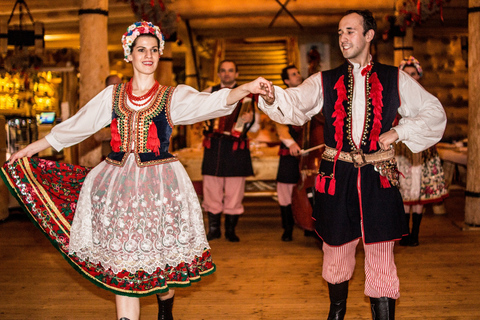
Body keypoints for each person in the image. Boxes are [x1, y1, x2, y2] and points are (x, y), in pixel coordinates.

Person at [1, 21, 272, 320]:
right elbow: (77, 126)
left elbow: (212, 103)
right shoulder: (112, 96)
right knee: (123, 263)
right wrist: (32, 148)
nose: (148, 55)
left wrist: (244, 88)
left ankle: (165, 307)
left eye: (154, 50)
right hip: (116, 186)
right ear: (128, 55)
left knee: (159, 261)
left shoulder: (172, 96)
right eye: (141, 49)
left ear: (160, 54)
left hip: (160, 187)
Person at [257, 10, 446, 320]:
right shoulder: (324, 80)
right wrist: (271, 95)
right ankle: (337, 313)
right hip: (337, 175)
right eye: (340, 32)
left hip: (378, 175)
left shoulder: (394, 78)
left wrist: (400, 131)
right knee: (335, 249)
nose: (343, 38)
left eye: (350, 31)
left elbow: (433, 112)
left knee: (381, 253)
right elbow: (294, 105)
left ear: (369, 35)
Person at [201, 60, 260, 242]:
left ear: (237, 74)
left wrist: (250, 120)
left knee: (235, 191)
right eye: (223, 71)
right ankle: (214, 230)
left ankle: (230, 230)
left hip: (236, 148)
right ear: (218, 74)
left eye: (230, 71)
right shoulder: (208, 93)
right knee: (211, 189)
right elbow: (196, 115)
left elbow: (255, 128)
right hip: (214, 147)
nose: (227, 74)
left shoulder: (248, 97)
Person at [396, 56, 448, 246]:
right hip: (403, 149)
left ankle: (415, 234)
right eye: (406, 74)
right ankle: (403, 233)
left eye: (413, 74)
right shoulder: (397, 98)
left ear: (419, 76)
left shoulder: (426, 98)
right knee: (404, 189)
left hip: (422, 148)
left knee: (419, 192)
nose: (410, 77)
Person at [275, 65, 303, 241]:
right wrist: (291, 143)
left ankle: (311, 225)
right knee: (284, 191)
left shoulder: (307, 94)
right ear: (286, 81)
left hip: (308, 153)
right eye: (294, 74)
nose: (298, 76)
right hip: (290, 151)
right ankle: (288, 228)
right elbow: (280, 126)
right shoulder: (281, 98)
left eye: (298, 72)